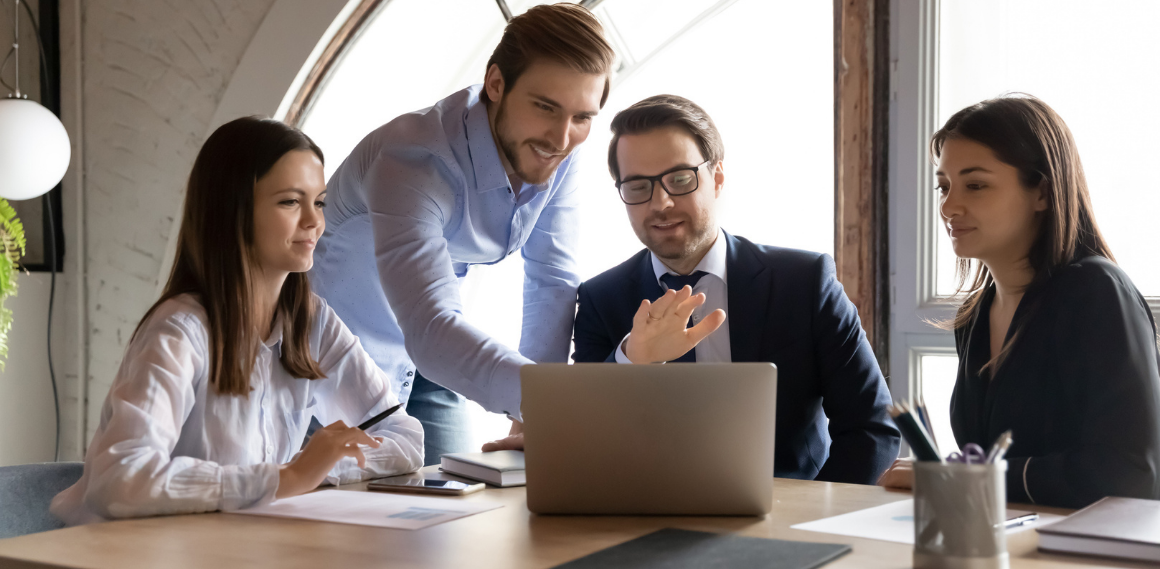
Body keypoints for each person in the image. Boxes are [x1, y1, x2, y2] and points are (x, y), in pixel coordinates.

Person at [487, 95, 900, 485]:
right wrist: (631, 360)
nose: (660, 203)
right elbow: (594, 433)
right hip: (651, 524)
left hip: (793, 513)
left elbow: (872, 428)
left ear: (716, 177)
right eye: (637, 187)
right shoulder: (600, 299)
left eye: (680, 179)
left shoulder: (805, 281)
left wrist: (810, 522)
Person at [51, 117, 423, 525]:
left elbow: (405, 439)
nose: (315, 222)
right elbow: (118, 480)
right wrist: (286, 477)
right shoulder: (179, 330)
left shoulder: (312, 322)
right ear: (233, 211)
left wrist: (318, 469)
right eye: (289, 202)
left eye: (318, 202)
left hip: (233, 549)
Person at [310, 4, 616, 465]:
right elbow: (430, 326)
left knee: (453, 515)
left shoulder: (560, 150)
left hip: (432, 357)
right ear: (496, 84)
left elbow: (552, 280)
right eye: (544, 107)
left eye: (582, 117)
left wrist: (533, 411)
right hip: (330, 361)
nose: (560, 136)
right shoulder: (411, 160)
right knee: (332, 525)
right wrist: (549, 403)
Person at [877, 95, 1160, 509]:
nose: (949, 206)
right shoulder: (974, 315)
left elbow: (1130, 473)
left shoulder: (1095, 293)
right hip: (999, 543)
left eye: (976, 185)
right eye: (944, 186)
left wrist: (960, 477)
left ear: (1042, 192)